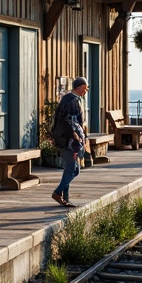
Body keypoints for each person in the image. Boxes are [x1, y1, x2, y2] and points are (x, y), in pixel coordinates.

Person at [51, 77, 88, 208]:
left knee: (71, 169)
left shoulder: (70, 99)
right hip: (68, 141)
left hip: (66, 140)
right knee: (73, 169)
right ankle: (57, 193)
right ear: (78, 87)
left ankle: (65, 198)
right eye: (85, 88)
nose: (86, 91)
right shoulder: (72, 100)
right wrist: (77, 143)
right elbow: (72, 124)